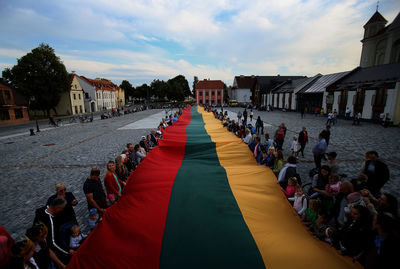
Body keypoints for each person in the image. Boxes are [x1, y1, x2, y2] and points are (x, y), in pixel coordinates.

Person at [33, 198, 73, 264]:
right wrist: (67, 251)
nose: (62, 210)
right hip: (43, 248)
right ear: (57, 208)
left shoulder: (42, 210)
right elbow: (52, 242)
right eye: (62, 208)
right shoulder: (50, 222)